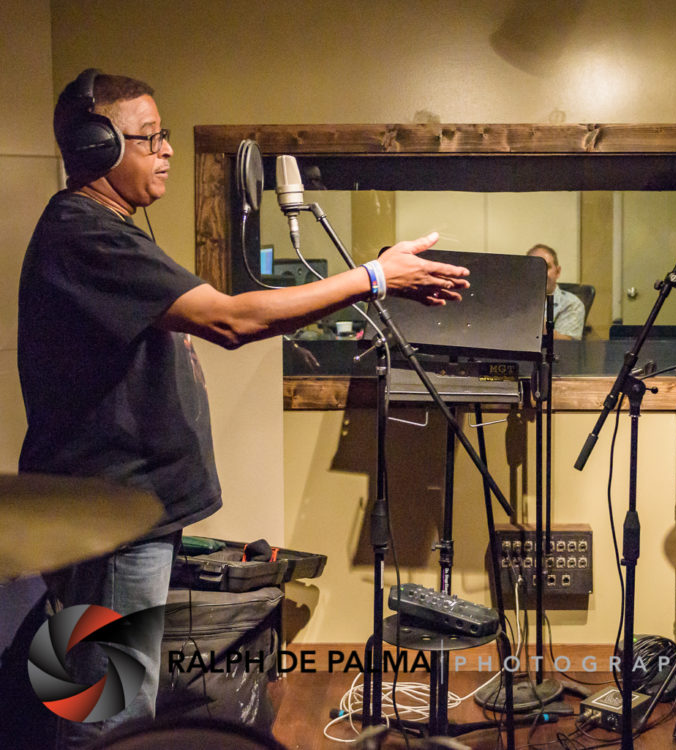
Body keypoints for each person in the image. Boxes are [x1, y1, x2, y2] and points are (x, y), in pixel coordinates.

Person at [18, 69, 469, 749]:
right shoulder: (84, 232)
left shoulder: (107, 229)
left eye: (167, 135)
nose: (166, 149)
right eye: (148, 138)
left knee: (110, 697)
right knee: (107, 711)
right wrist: (375, 277)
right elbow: (229, 321)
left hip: (128, 512)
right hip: (108, 515)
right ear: (95, 146)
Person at [527, 243, 585, 339]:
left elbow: (567, 344)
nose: (540, 273)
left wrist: (530, 317)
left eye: (547, 267)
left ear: (557, 272)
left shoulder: (571, 304)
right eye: (534, 267)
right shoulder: (513, 300)